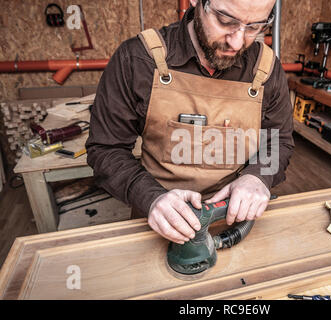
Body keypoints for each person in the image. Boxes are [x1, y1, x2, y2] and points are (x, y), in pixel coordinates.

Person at [86, 0, 294, 245]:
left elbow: (277, 140)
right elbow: (106, 149)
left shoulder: (266, 68)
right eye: (226, 21)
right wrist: (149, 197)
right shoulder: (138, 59)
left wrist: (259, 177)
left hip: (235, 221)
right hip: (159, 221)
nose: (237, 42)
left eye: (255, 27)